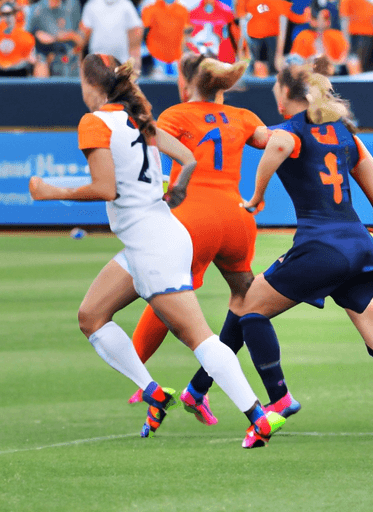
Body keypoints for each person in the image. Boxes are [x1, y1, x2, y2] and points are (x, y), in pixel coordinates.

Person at [29, 52, 284, 446]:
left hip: (153, 246)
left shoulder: (94, 122)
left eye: (82, 81)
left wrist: (51, 192)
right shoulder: (139, 119)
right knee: (91, 316)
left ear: (92, 86)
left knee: (200, 338)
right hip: (156, 238)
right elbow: (187, 157)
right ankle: (153, 390)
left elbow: (105, 189)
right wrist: (177, 188)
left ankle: (258, 416)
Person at [128, 53, 270, 429]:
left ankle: (139, 372)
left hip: (194, 217)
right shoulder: (244, 117)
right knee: (246, 298)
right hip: (238, 217)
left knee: (166, 291)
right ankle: (229, 390)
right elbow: (274, 144)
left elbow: (146, 149)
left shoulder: (176, 114)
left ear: (185, 82)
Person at [234, 67, 373, 447]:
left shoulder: (291, 129)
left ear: (285, 93)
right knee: (371, 327)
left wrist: (256, 196)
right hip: (360, 243)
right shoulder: (346, 132)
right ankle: (203, 386)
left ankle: (279, 400)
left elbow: (275, 145)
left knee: (250, 309)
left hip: (322, 247)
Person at [79, 0, 143, 72]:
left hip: (122, 65)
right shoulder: (91, 5)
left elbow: (136, 38)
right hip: (97, 66)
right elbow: (82, 40)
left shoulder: (126, 6)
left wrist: (134, 70)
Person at [27, 0, 82, 77]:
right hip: (44, 57)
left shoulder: (72, 4)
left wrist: (57, 38)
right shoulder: (36, 9)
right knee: (41, 66)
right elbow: (26, 38)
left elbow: (79, 39)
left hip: (68, 58)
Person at [140, 0, 190, 79]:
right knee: (158, 83)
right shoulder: (150, 7)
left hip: (176, 55)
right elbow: (142, 30)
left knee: (177, 82)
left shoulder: (183, 8)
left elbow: (187, 32)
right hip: (156, 55)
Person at [290, 9, 348, 75]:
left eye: (326, 19)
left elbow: (343, 62)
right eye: (315, 18)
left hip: (333, 76)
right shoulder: (304, 37)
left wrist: (328, 63)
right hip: (308, 77)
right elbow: (294, 63)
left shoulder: (336, 36)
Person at [339, 0, 373, 73]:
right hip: (357, 36)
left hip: (362, 36)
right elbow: (344, 19)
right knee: (360, 68)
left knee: (363, 68)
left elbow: (344, 19)